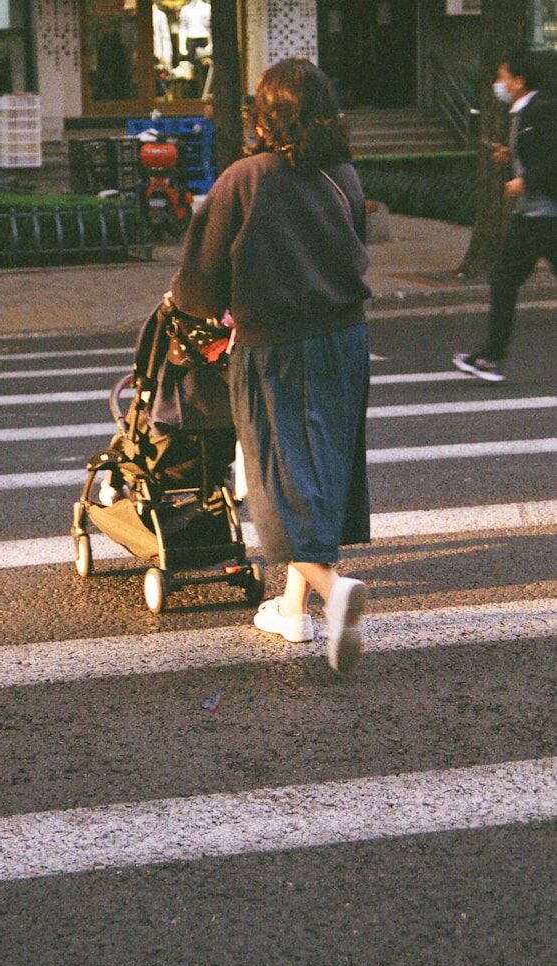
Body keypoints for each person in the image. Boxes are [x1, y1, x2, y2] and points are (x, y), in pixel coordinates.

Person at [172, 56, 371, 673]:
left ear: (266, 112)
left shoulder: (244, 179)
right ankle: (292, 611)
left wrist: (193, 311)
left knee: (278, 479)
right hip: (344, 340)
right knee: (323, 468)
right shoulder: (343, 176)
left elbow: (198, 285)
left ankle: (334, 592)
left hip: (274, 347)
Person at [454, 54, 557, 382]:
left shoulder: (540, 110)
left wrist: (525, 180)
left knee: (503, 280)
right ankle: (490, 357)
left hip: (541, 215)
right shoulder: (523, 113)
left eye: (502, 76)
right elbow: (539, 150)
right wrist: (511, 156)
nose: (498, 84)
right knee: (504, 280)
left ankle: (490, 358)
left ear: (518, 81)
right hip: (539, 214)